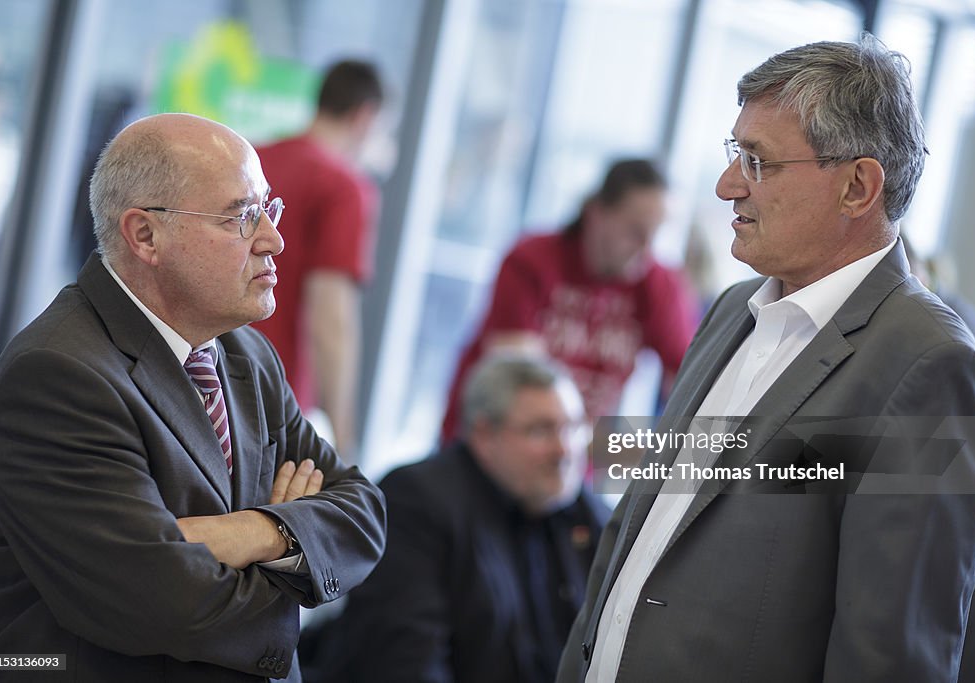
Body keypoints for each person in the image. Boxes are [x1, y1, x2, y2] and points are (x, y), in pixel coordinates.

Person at [557, 35, 975, 682]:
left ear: (857, 186)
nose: (726, 185)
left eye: (758, 162)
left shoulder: (929, 367)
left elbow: (890, 657)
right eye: (735, 154)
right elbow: (639, 528)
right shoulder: (732, 309)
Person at [0, 113, 386, 682]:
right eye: (242, 217)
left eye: (269, 208)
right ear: (145, 235)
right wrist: (295, 553)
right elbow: (160, 600)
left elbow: (364, 514)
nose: (274, 239)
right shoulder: (59, 372)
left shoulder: (245, 352)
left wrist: (251, 531)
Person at [302, 355, 609, 682]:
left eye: (574, 427)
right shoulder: (416, 500)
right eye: (540, 431)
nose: (564, 451)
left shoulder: (589, 515)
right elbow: (405, 665)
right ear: (484, 434)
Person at [441, 159, 699, 442]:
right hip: (494, 442)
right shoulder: (532, 260)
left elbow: (691, 381)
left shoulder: (660, 284)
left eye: (656, 234)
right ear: (596, 213)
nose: (646, 248)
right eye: (635, 231)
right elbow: (518, 384)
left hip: (569, 453)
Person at [253, 59, 384, 461]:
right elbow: (333, 318)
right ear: (365, 117)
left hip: (208, 370)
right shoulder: (344, 187)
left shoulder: (252, 158)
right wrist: (345, 443)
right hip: (274, 398)